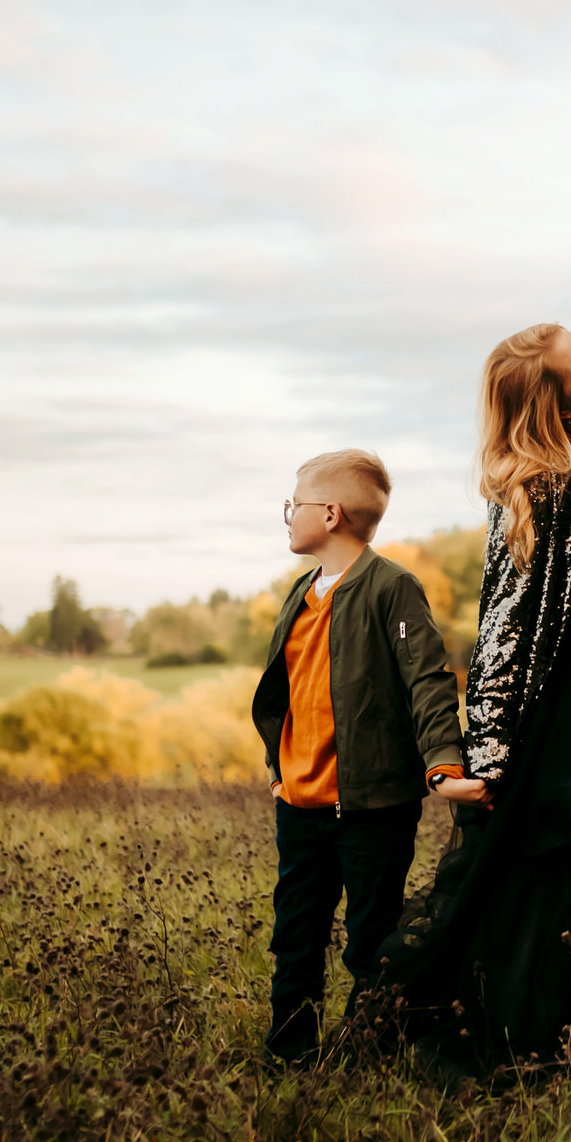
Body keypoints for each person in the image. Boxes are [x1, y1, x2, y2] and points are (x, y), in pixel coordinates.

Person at [378, 325, 571, 1074]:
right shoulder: (540, 484)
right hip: (570, 701)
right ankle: (564, 1038)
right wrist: (483, 750)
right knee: (560, 869)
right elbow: (504, 627)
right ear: (552, 402)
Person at [249, 448, 486, 1065]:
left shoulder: (391, 588)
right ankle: (290, 1054)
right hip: (301, 804)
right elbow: (287, 693)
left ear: (329, 515)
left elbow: (428, 679)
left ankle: (366, 1056)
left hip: (373, 806)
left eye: (293, 505)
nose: (286, 516)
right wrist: (280, 772)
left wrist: (444, 765)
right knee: (295, 933)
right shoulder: (301, 594)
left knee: (370, 939)